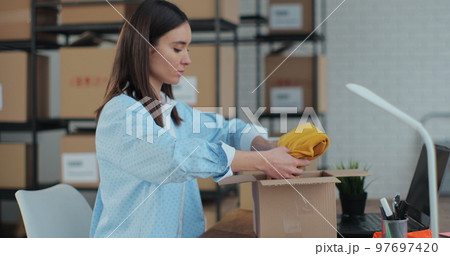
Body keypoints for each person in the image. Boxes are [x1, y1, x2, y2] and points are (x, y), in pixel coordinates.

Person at [90, 0, 310, 238]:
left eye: (188, 49)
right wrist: (261, 162)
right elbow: (173, 158)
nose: (187, 60)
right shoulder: (121, 114)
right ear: (144, 47)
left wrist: (265, 147)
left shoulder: (175, 112)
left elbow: (227, 130)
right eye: (177, 49)